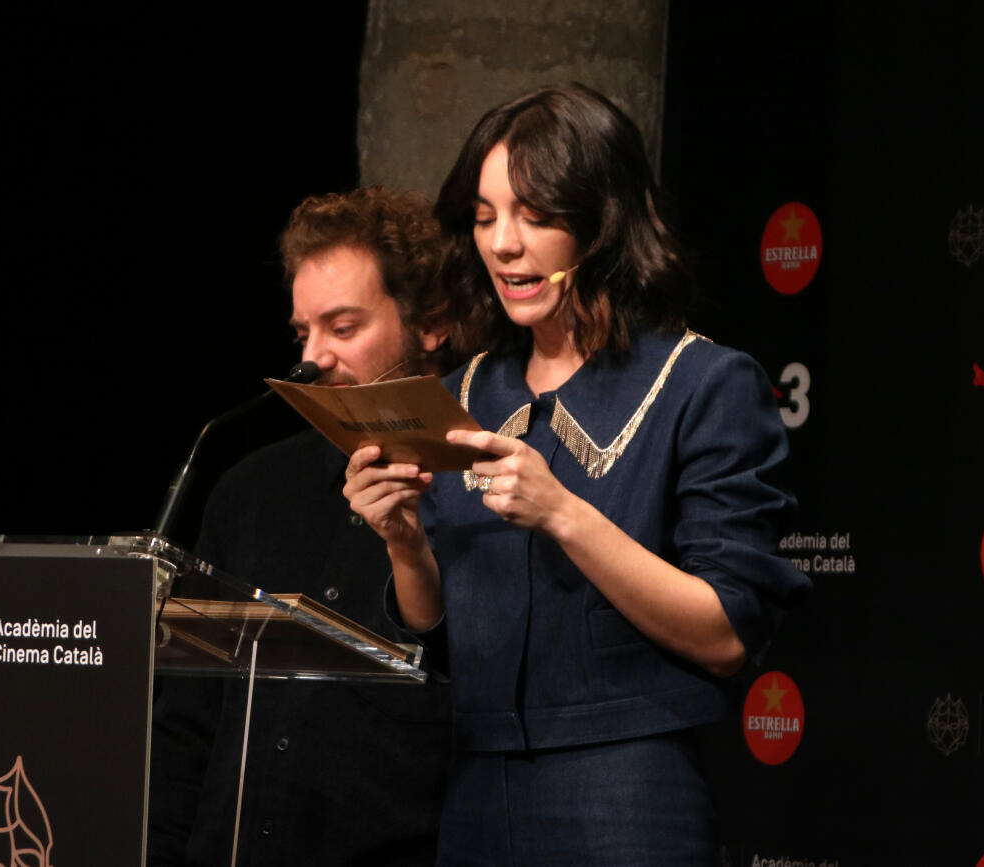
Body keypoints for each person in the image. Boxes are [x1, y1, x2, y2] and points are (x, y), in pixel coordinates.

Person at [343, 84, 811, 865]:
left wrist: (564, 513)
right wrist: (403, 544)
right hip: (475, 788)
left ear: (603, 223)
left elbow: (727, 632)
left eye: (534, 215)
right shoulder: (460, 395)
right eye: (485, 216)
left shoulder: (701, 383)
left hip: (626, 788)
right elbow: (438, 637)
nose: (503, 244)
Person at [148, 187, 458, 865]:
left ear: (431, 323)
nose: (312, 360)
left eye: (342, 329)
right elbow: (187, 723)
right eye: (302, 333)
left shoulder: (488, 482)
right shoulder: (250, 491)